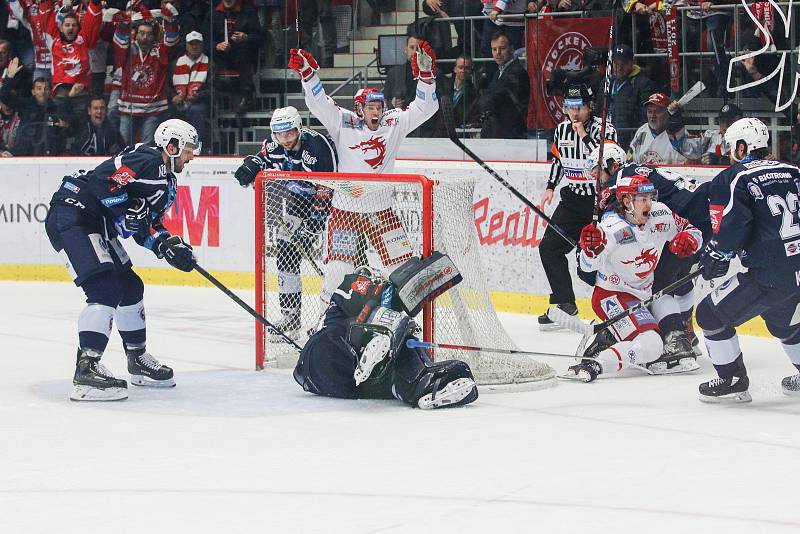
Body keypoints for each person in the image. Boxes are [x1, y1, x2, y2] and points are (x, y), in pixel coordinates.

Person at [44, 119, 201, 402]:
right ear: (172, 146)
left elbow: (145, 226)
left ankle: (137, 359)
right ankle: (87, 369)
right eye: (189, 150)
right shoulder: (148, 159)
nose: (192, 156)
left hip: (95, 221)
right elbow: (101, 182)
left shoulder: (166, 181)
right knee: (105, 289)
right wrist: (128, 209)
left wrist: (168, 246)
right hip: (74, 213)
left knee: (130, 287)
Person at [288, 41, 439, 304]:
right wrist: (308, 75)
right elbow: (319, 104)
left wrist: (426, 77)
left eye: (379, 107)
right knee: (338, 272)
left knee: (402, 269)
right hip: (346, 212)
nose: (376, 112)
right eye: (370, 108)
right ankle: (325, 322)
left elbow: (426, 108)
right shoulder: (343, 122)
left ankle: (398, 321)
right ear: (359, 109)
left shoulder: (394, 122)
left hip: (381, 211)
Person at [696, 118, 800, 402]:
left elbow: (734, 226)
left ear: (742, 147)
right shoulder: (793, 170)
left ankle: (732, 382)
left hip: (770, 274)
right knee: (783, 320)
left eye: (732, 147)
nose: (731, 152)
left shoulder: (740, 176)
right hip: (798, 270)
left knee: (709, 315)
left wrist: (717, 253)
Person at [565, 174, 703, 382]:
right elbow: (587, 266)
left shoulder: (660, 214)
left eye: (650, 197)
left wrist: (691, 239)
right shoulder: (611, 229)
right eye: (643, 199)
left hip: (644, 295)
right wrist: (590, 251)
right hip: (612, 295)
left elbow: (690, 229)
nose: (650, 203)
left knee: (665, 304)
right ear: (627, 201)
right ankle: (595, 364)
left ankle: (617, 338)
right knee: (652, 343)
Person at [293, 267, 479, 409]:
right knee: (396, 326)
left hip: (345, 383)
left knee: (402, 362)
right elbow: (371, 294)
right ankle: (372, 341)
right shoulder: (350, 284)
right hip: (328, 352)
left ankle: (427, 387)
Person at [597, 144, 712, 360]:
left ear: (612, 166)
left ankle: (675, 338)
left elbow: (616, 218)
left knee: (656, 282)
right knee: (680, 277)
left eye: (597, 172)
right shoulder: (642, 170)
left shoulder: (620, 179)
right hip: (704, 216)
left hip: (683, 217)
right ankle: (684, 332)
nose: (597, 178)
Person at [234, 106, 338, 339]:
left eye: (290, 133)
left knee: (334, 263)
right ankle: (290, 317)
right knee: (286, 254)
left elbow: (328, 186)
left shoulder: (317, 147)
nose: (285, 140)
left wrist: (313, 225)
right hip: (298, 199)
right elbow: (263, 159)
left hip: (335, 203)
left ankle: (330, 319)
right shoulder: (274, 145)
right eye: (280, 135)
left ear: (299, 129)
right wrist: (252, 164)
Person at [537, 84, 617, 330]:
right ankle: (564, 303)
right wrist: (551, 186)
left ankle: (617, 307)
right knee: (549, 247)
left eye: (579, 107)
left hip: (601, 201)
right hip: (573, 200)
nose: (574, 113)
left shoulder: (606, 129)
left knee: (608, 256)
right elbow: (557, 160)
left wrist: (582, 133)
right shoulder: (561, 130)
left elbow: (607, 159)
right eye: (570, 107)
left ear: (590, 107)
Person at [114, 13, 180, 145]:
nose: (145, 37)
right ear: (136, 34)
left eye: (149, 34)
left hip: (152, 109)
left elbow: (171, 40)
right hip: (129, 108)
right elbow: (119, 42)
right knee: (123, 146)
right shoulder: (129, 49)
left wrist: (170, 21)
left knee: (147, 148)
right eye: (142, 33)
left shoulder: (159, 51)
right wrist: (124, 25)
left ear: (153, 35)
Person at [476, 30, 529, 139]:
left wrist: (484, 96)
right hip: (496, 134)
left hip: (510, 136)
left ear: (512, 49)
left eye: (502, 48)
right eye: (494, 49)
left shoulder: (517, 72)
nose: (497, 53)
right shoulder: (498, 72)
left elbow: (497, 98)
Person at [603, 44, 657, 149]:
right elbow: (599, 110)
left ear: (632, 62)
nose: (619, 68)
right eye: (616, 64)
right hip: (606, 137)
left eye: (624, 63)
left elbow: (644, 118)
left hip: (630, 140)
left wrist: (637, 143)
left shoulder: (643, 84)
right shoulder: (606, 82)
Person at [171, 31, 210, 151]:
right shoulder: (175, 64)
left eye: (197, 43)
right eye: (191, 43)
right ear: (186, 45)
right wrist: (173, 97)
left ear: (202, 45)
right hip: (178, 103)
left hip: (200, 103)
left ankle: (196, 147)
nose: (194, 46)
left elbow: (213, 89)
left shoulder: (210, 63)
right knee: (165, 111)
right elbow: (167, 86)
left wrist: (197, 96)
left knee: (196, 110)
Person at [629, 92, 691, 164]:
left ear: (668, 113)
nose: (652, 116)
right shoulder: (642, 131)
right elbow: (630, 157)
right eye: (649, 112)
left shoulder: (678, 133)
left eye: (657, 111)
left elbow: (687, 166)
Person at [675, 102, 742, 166]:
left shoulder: (747, 139)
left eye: (730, 121)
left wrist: (721, 160)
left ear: (740, 121)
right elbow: (685, 147)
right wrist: (675, 118)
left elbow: (747, 163)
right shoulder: (710, 136)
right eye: (722, 121)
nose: (726, 125)